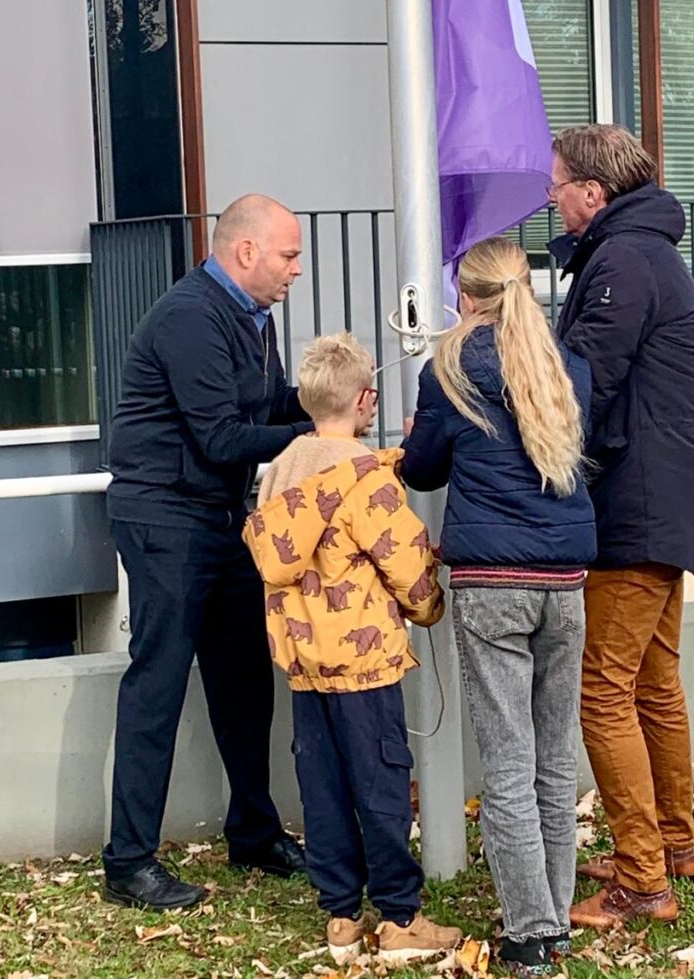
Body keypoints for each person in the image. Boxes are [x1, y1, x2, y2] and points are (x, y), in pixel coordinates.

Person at [102, 194, 314, 910]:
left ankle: (253, 831)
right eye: (288, 255)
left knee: (245, 678)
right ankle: (128, 860)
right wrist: (314, 435)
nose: (295, 270)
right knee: (158, 683)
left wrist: (328, 402)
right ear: (245, 251)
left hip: (223, 519)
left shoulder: (252, 318)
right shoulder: (191, 317)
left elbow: (263, 404)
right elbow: (223, 435)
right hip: (165, 519)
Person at [401, 238, 596, 977]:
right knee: (553, 757)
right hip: (567, 580)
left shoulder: (449, 366)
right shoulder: (564, 362)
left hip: (491, 581)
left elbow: (423, 466)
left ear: (466, 292)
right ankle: (556, 914)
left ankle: (531, 932)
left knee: (508, 764)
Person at [546, 125, 694, 929]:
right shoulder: (649, 251)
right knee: (653, 682)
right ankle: (673, 842)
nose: (550, 196)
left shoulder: (620, 260)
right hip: (673, 498)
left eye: (558, 184)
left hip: (636, 505)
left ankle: (643, 879)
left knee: (604, 690)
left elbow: (584, 381)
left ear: (594, 191)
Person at [242, 333, 462, 966]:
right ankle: (399, 917)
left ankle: (341, 917)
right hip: (363, 664)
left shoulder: (282, 467)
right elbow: (406, 564)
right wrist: (429, 605)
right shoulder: (365, 479)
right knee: (383, 783)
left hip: (303, 662)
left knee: (325, 787)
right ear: (366, 399)